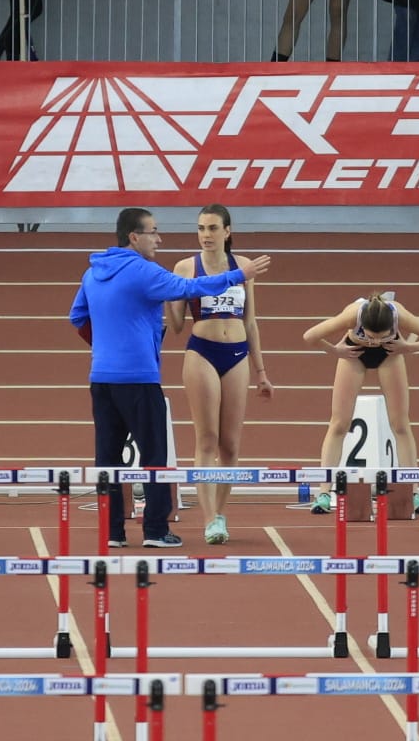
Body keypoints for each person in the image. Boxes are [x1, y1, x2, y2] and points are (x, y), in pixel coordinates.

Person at [70, 207, 272, 549]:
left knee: (108, 456)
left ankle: (112, 532)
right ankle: (155, 530)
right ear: (135, 237)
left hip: (101, 375)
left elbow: (77, 316)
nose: (159, 238)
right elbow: (189, 286)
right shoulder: (143, 271)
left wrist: (107, 344)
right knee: (154, 455)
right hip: (138, 375)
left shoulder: (93, 273)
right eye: (153, 232)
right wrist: (239, 275)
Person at [164, 204, 272, 544]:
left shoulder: (243, 267)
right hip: (203, 353)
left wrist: (261, 371)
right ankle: (209, 519)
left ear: (227, 231)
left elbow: (250, 321)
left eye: (212, 228)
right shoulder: (185, 267)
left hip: (237, 354)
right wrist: (170, 294)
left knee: (231, 444)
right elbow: (179, 325)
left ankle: (221, 513)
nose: (205, 235)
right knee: (206, 439)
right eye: (201, 228)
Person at [301, 293, 419, 516]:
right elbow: (310, 336)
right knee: (339, 424)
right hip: (354, 353)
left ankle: (413, 492)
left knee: (400, 424)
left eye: (381, 336)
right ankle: (323, 493)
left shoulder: (399, 314)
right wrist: (335, 350)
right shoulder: (353, 314)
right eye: (371, 336)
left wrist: (409, 348)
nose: (375, 341)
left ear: (392, 326)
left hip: (390, 354)